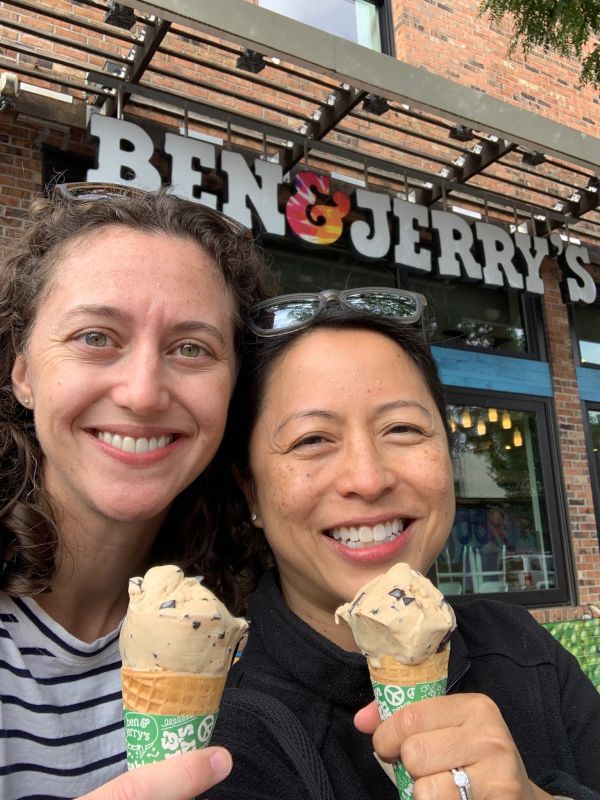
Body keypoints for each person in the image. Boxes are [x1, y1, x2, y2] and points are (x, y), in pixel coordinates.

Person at [206, 288, 600, 800]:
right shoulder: (220, 750)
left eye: (402, 429)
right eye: (312, 439)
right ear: (250, 491)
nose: (368, 480)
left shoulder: (524, 650)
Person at [0, 183, 268, 799]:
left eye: (191, 348)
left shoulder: (254, 626)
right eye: (95, 337)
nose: (143, 393)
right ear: (23, 373)